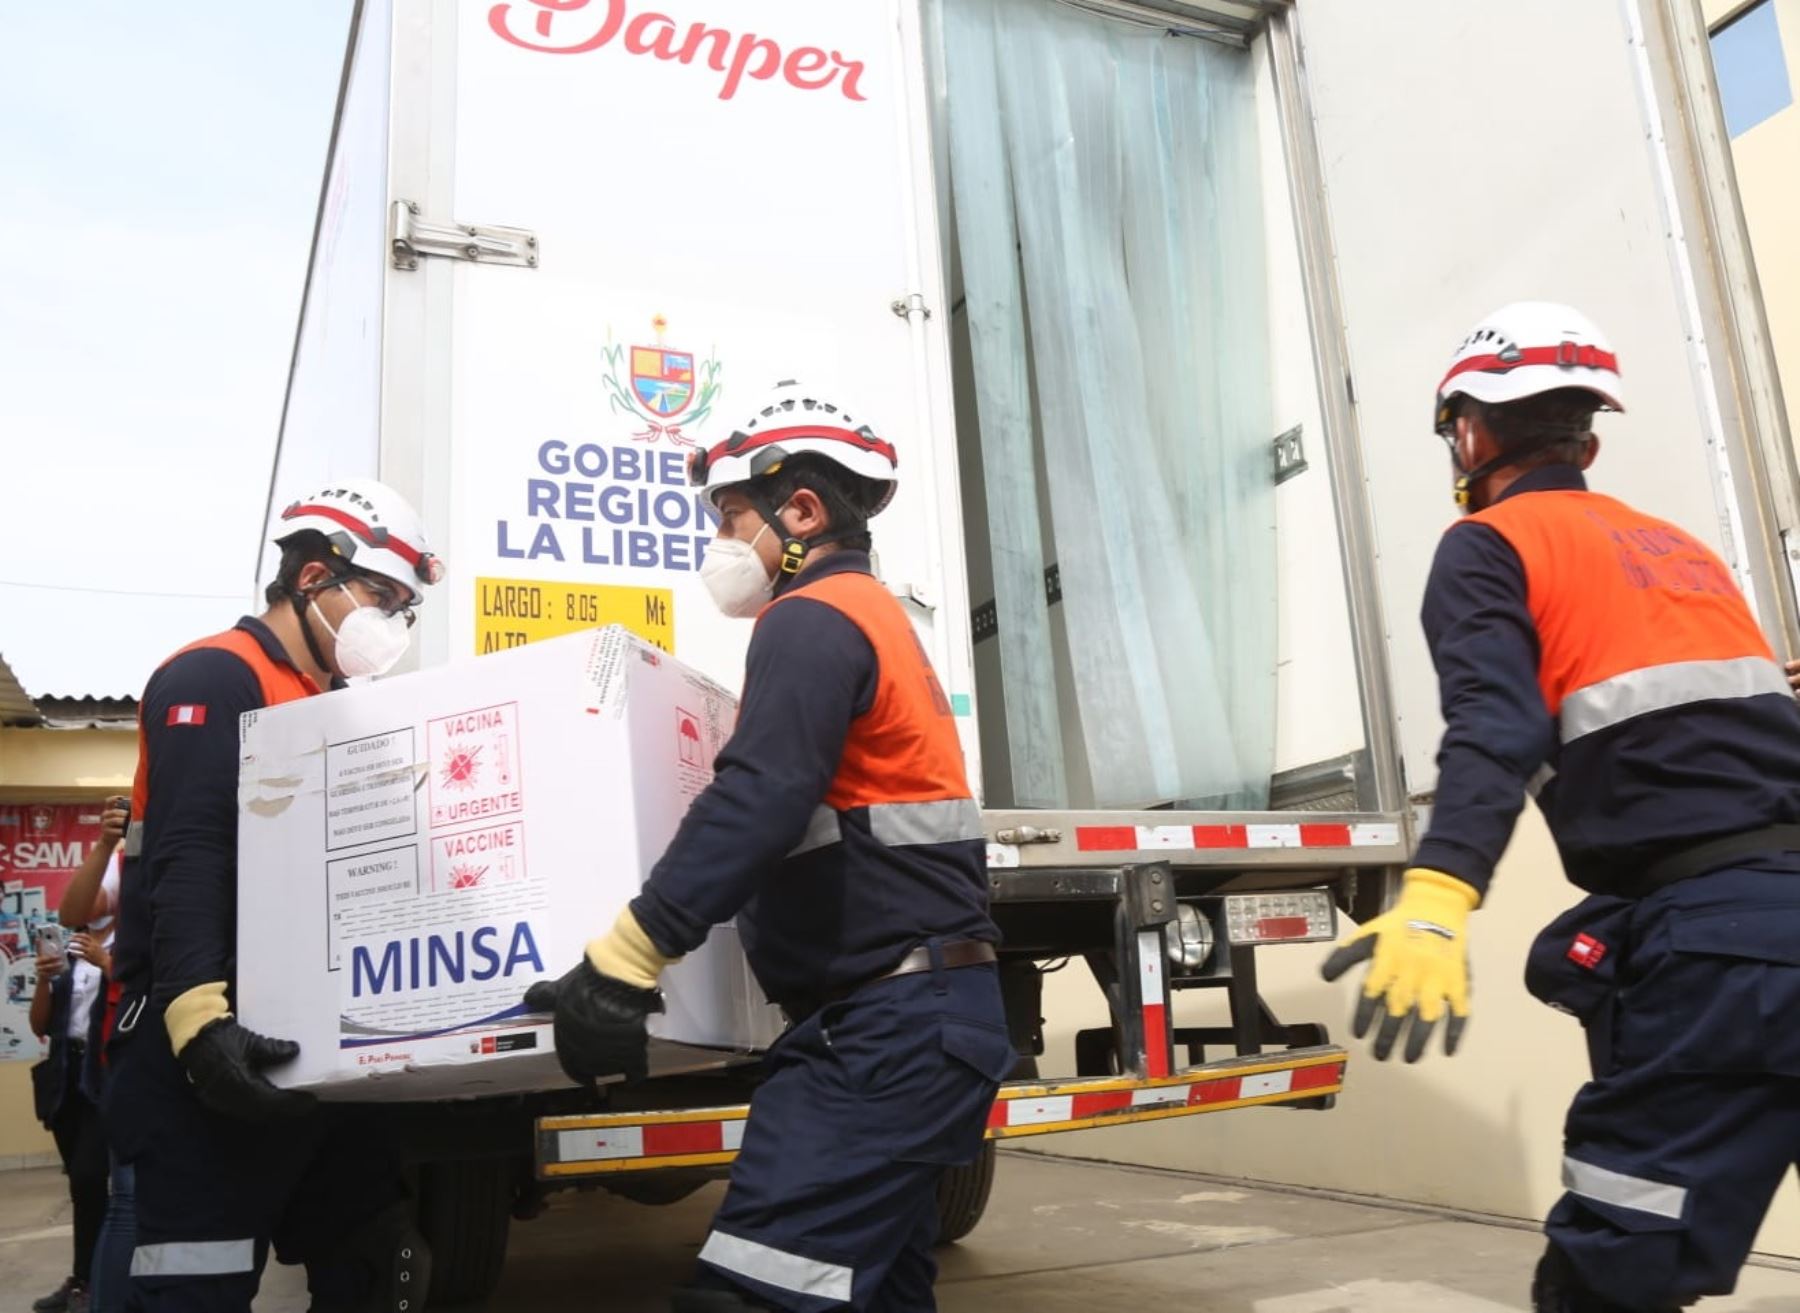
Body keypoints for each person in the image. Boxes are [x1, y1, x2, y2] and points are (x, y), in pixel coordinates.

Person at [1321, 302, 1800, 1312]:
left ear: (1468, 432)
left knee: (1610, 1269)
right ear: (1587, 438)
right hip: (1766, 909)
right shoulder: (1680, 549)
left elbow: (1497, 728)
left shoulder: (1488, 543)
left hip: (1722, 956)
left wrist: (1440, 893)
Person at [528, 382, 1011, 1312]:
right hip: (912, 1020)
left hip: (883, 1037)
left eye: (731, 516)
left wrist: (626, 958)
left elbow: (759, 795)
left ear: (801, 511)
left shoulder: (811, 617)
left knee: (754, 1294)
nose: (720, 542)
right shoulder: (873, 618)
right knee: (875, 1291)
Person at [104, 480, 444, 1313]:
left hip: (316, 1049)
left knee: (382, 1263)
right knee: (197, 1277)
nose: (392, 621)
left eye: (405, 606)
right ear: (313, 578)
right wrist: (195, 1014)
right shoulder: (218, 675)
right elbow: (190, 850)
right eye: (381, 595)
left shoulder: (330, 702)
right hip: (209, 1040)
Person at [58, 797, 135, 1313]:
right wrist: (107, 843)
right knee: (124, 1199)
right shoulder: (129, 861)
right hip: (122, 1057)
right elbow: (72, 913)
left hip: (172, 1048)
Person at [30, 905, 115, 1313]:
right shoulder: (71, 951)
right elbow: (40, 1025)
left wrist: (107, 962)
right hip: (68, 1080)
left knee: (89, 1177)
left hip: (108, 1077)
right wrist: (44, 980)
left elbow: (142, 998)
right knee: (84, 1189)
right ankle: (85, 1280)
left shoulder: (129, 944)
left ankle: (99, 1282)